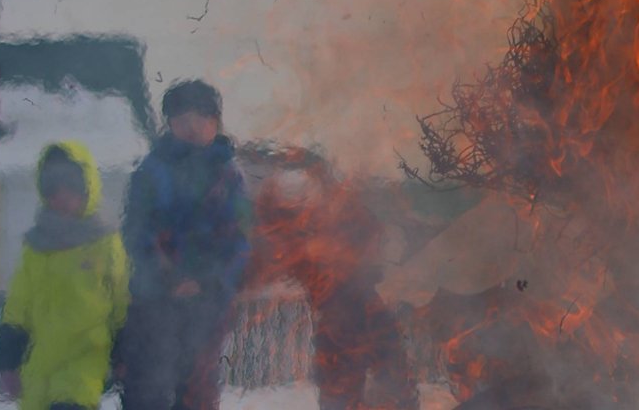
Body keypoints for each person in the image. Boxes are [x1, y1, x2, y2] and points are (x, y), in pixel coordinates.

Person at [118, 79, 253, 410]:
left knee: (197, 391)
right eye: (182, 116)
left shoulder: (229, 177)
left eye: (202, 115)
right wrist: (168, 278)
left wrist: (208, 282)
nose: (192, 125)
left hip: (206, 306)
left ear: (215, 121)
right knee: (146, 387)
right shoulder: (152, 171)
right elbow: (136, 232)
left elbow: (241, 242)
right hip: (155, 302)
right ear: (169, 122)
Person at [249, 150, 417, 410]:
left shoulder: (347, 212)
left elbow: (370, 238)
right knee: (342, 384)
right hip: (337, 316)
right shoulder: (287, 223)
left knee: (387, 376)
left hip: (357, 307)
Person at [0, 141, 130, 410]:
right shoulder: (36, 246)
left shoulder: (104, 241)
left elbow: (121, 299)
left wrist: (125, 351)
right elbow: (19, 304)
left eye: (71, 189)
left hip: (85, 357)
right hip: (40, 361)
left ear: (87, 188)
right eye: (53, 191)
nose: (63, 199)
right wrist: (8, 361)